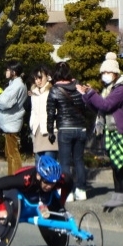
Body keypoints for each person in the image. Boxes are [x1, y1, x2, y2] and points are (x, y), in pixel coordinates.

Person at [77, 52, 123, 208]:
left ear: (115, 74)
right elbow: (98, 108)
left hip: (119, 130)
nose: (105, 75)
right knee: (115, 164)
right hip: (109, 130)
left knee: (119, 164)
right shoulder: (109, 88)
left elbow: (105, 105)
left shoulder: (121, 89)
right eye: (103, 72)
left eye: (108, 72)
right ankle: (118, 195)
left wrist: (91, 94)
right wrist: (86, 96)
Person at [47, 61, 88, 202]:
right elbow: (86, 105)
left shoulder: (55, 89)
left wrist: (50, 131)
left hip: (65, 128)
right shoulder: (78, 86)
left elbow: (51, 112)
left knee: (65, 162)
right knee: (79, 160)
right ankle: (81, 190)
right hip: (81, 128)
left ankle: (68, 192)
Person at [0, 155, 73, 220]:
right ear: (38, 176)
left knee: (56, 203)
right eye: (47, 182)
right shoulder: (24, 181)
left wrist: (62, 203)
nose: (50, 186)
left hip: (42, 192)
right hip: (26, 190)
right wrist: (1, 209)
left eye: (53, 183)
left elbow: (68, 185)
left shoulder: (63, 179)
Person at [0, 60, 28, 175]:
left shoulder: (16, 85)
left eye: (8, 69)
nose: (6, 71)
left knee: (13, 154)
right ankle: (12, 177)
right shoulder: (16, 84)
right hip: (11, 122)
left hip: (11, 122)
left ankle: (16, 178)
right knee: (10, 153)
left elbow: (5, 102)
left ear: (14, 72)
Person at [28, 65, 57, 165]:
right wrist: (32, 125)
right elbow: (33, 111)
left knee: (49, 164)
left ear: (47, 77)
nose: (38, 81)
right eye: (35, 79)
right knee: (38, 164)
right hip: (37, 131)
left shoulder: (52, 91)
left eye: (40, 78)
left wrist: (54, 127)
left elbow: (56, 111)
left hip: (50, 131)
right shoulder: (34, 93)